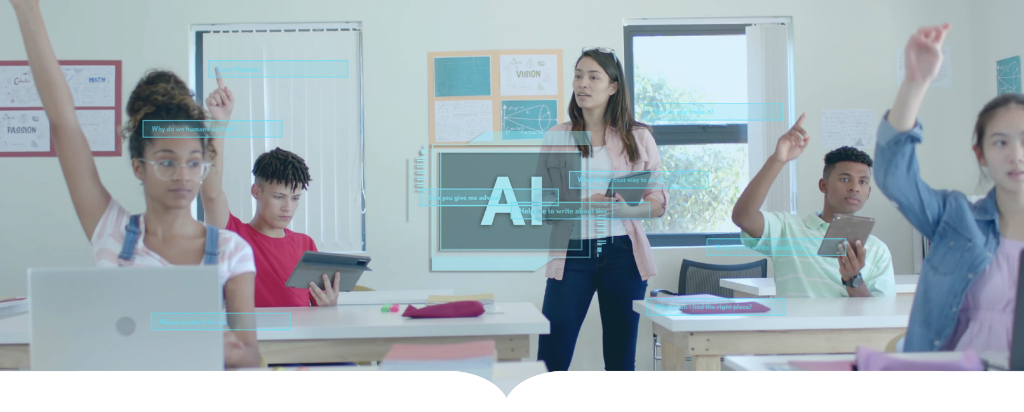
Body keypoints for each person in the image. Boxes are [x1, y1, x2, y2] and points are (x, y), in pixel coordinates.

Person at [9, 0, 260, 367]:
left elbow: (250, 356)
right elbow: (63, 121)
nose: (183, 175)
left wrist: (233, 353)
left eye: (194, 162)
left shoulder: (231, 250)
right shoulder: (109, 230)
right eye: (167, 162)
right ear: (138, 168)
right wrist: (27, 9)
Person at [875, 23, 1024, 352]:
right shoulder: (955, 218)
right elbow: (895, 179)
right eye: (1001, 142)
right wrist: (915, 84)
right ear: (980, 155)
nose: (1016, 155)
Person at [536, 47, 668, 371]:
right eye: (579, 75)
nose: (583, 83)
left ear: (613, 86)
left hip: (624, 255)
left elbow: (658, 202)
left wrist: (628, 211)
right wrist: (584, 206)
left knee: (621, 362)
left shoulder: (638, 137)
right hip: (572, 254)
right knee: (551, 358)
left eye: (593, 77)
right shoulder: (557, 136)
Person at [200, 78, 340, 308]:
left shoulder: (306, 245)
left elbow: (318, 311)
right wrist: (219, 125)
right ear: (256, 191)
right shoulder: (234, 235)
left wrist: (329, 306)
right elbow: (211, 192)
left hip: (301, 341)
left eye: (295, 199)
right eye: (279, 197)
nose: (288, 207)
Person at [732, 115, 896, 298]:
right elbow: (743, 217)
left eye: (863, 182)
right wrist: (778, 160)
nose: (854, 187)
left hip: (847, 328)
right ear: (823, 185)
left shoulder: (877, 249)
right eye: (844, 179)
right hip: (794, 327)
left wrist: (853, 279)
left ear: (869, 192)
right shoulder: (787, 230)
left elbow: (878, 316)